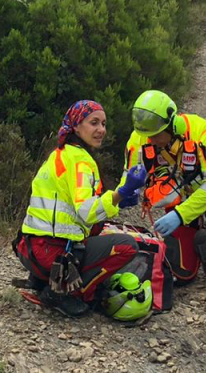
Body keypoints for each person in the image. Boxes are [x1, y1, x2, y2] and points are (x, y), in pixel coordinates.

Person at [15, 99, 153, 321]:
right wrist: (122, 191)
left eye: (104, 124)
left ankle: (41, 280)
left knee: (99, 229)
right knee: (128, 246)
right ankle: (61, 293)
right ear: (76, 126)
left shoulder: (59, 153)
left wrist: (118, 200)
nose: (101, 130)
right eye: (94, 123)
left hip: (29, 250)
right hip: (52, 255)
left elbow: (72, 206)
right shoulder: (81, 160)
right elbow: (87, 212)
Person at [124, 89, 206, 284]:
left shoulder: (201, 132)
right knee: (183, 275)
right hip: (182, 212)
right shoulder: (139, 140)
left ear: (173, 125)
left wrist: (180, 214)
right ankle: (203, 243)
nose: (151, 141)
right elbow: (128, 180)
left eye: (156, 135)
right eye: (147, 136)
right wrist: (126, 193)